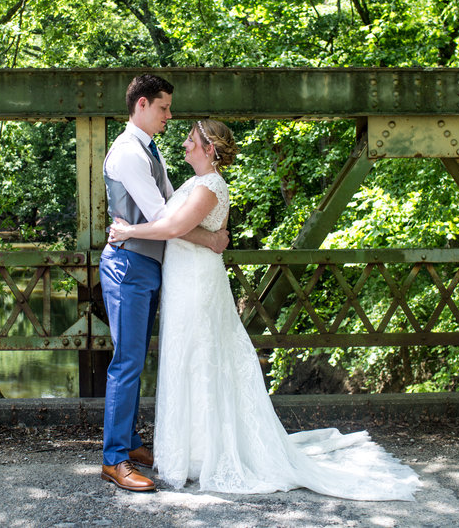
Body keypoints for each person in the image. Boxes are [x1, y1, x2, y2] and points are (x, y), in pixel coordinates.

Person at [108, 119, 419, 500]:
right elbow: (177, 223)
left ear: (208, 149)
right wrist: (209, 237)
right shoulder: (192, 183)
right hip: (183, 280)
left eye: (191, 140)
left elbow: (172, 226)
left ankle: (204, 455)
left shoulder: (210, 185)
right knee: (185, 359)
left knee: (200, 359)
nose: (185, 144)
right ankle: (186, 451)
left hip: (196, 284)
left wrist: (128, 231)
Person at [99, 75, 229, 493]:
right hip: (128, 265)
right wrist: (208, 238)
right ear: (141, 105)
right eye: (163, 108)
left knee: (136, 359)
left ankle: (132, 444)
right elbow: (164, 219)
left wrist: (204, 233)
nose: (169, 116)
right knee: (127, 361)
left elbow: (174, 206)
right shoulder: (128, 155)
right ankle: (114, 459)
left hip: (147, 265)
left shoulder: (148, 150)